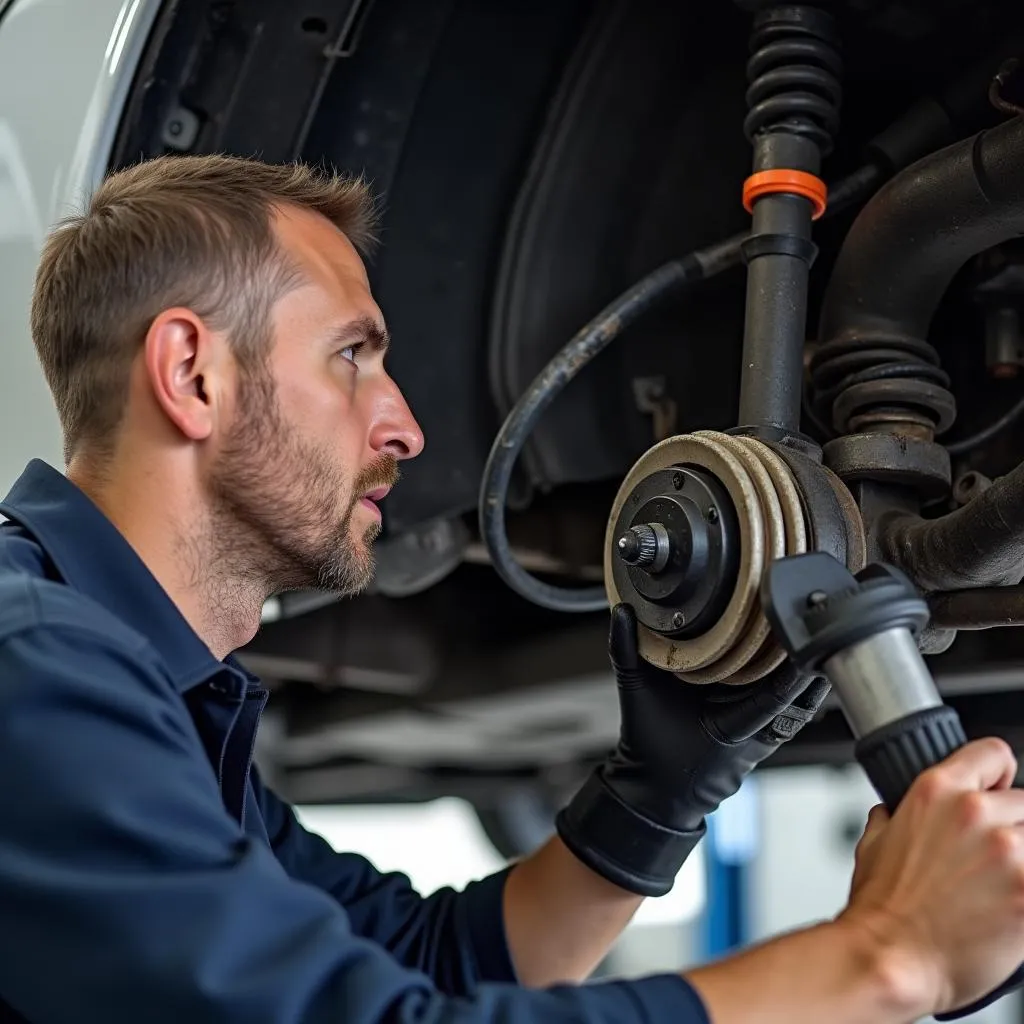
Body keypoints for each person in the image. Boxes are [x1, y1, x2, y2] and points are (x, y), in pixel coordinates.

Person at [0, 154, 1022, 1024]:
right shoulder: (28, 668)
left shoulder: (149, 698)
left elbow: (428, 963)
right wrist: (894, 955)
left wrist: (654, 793)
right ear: (191, 374)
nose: (405, 427)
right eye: (352, 354)